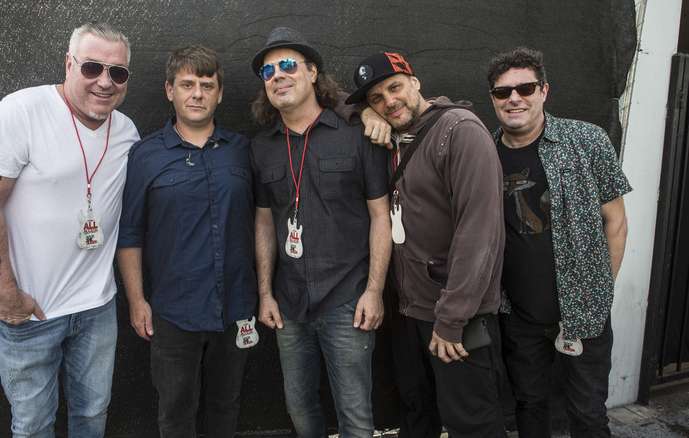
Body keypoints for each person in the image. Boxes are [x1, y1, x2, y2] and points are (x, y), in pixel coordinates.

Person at [0, 21, 138, 437]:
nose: (105, 82)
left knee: (92, 418)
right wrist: (7, 297)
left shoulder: (127, 133)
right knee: (33, 426)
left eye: (118, 72)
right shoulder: (20, 113)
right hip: (30, 314)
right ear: (68, 63)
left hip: (97, 309)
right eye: (92, 68)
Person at [346, 51, 506, 437]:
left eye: (395, 88)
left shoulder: (459, 130)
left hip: (456, 316)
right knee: (419, 413)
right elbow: (331, 101)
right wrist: (364, 114)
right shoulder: (393, 134)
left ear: (415, 82)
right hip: (410, 310)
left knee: (472, 423)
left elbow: (479, 234)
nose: (389, 102)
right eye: (377, 98)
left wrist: (451, 321)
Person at [250, 27, 391, 437]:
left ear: (313, 72)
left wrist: (374, 290)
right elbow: (262, 222)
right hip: (289, 305)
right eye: (268, 70)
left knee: (356, 418)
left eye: (289, 65)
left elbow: (381, 216)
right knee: (300, 411)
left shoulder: (357, 135)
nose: (278, 75)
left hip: (348, 300)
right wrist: (265, 294)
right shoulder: (261, 148)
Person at [485, 47, 631, 438]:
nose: (514, 98)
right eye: (503, 92)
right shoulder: (483, 152)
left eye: (525, 88)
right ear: (493, 99)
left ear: (544, 90)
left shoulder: (587, 140)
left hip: (583, 310)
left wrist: (600, 291)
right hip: (517, 314)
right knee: (529, 407)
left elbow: (615, 223)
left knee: (587, 414)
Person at [116, 45, 257, 437]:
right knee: (176, 413)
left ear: (220, 93)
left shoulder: (244, 152)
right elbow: (129, 234)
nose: (197, 93)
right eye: (187, 84)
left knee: (226, 405)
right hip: (173, 310)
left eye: (207, 85)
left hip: (237, 306)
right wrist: (136, 299)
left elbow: (264, 223)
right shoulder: (144, 156)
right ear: (169, 90)